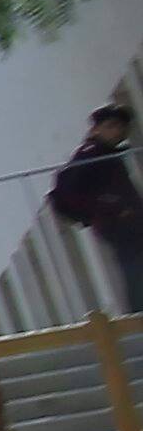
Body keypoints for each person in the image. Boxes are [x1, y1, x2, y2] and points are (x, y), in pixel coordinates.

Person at [56, 100, 143, 313]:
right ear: (96, 129)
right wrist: (110, 208)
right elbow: (66, 192)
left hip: (127, 222)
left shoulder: (106, 153)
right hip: (119, 224)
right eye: (111, 126)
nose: (118, 131)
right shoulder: (90, 154)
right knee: (135, 272)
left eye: (121, 127)